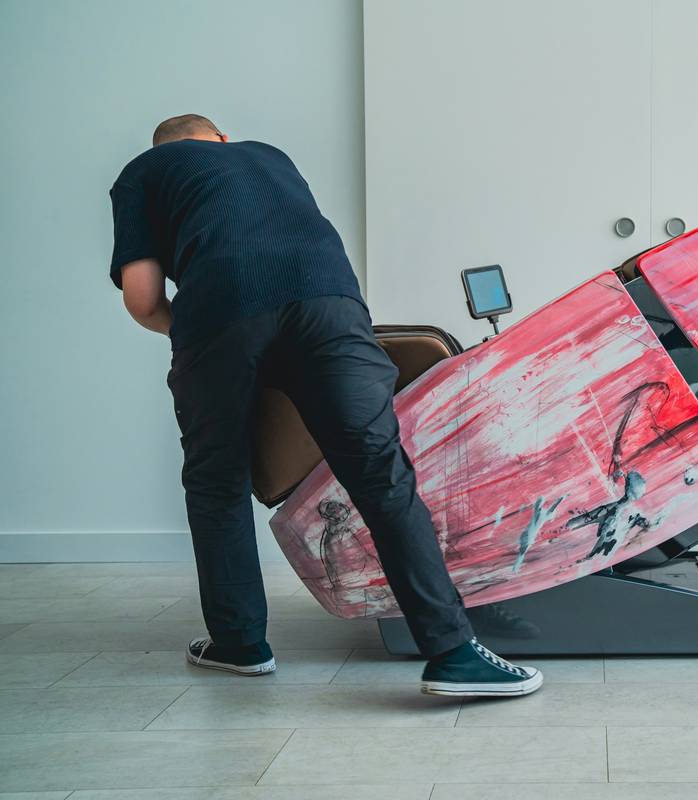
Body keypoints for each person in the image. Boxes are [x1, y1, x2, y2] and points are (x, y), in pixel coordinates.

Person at [108, 114, 542, 697]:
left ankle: (239, 645)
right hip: (327, 297)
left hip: (218, 304)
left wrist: (199, 335)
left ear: (161, 150)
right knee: (380, 473)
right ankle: (453, 654)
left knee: (217, 481)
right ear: (221, 141)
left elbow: (142, 297)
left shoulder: (144, 171)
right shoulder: (269, 156)